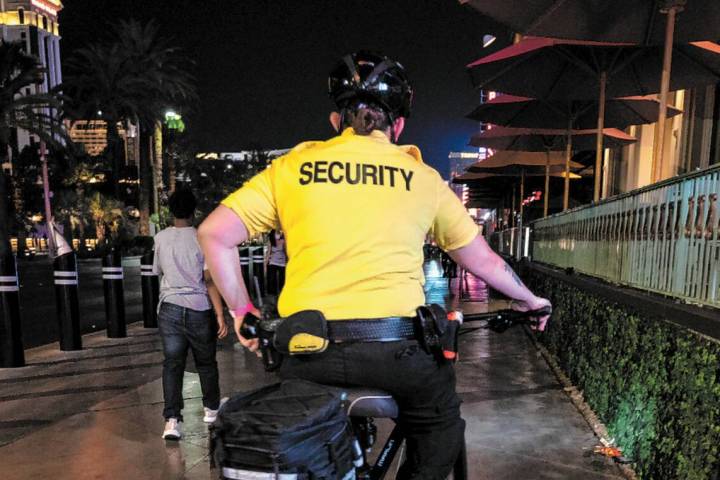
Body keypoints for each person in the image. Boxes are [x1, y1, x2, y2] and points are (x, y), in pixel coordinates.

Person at [198, 51, 551, 479]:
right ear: (398, 126)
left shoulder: (292, 167)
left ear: (336, 121)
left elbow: (214, 234)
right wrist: (530, 300)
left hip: (310, 352)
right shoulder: (421, 178)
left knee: (305, 433)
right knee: (440, 423)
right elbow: (484, 261)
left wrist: (242, 311)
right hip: (397, 353)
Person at [153, 188, 229, 440]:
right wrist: (220, 314)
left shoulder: (161, 238)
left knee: (172, 365)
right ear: (193, 211)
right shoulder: (201, 238)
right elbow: (209, 281)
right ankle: (211, 410)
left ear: (171, 211)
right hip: (198, 307)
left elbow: (158, 271)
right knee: (206, 363)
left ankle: (172, 421)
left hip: (170, 308)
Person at [266, 229, 287, 295]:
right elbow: (268, 252)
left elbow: (286, 251)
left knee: (282, 279)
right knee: (272, 279)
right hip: (273, 261)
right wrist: (266, 263)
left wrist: (283, 244)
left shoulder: (284, 237)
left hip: (282, 261)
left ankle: (282, 293)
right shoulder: (271, 240)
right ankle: (273, 294)